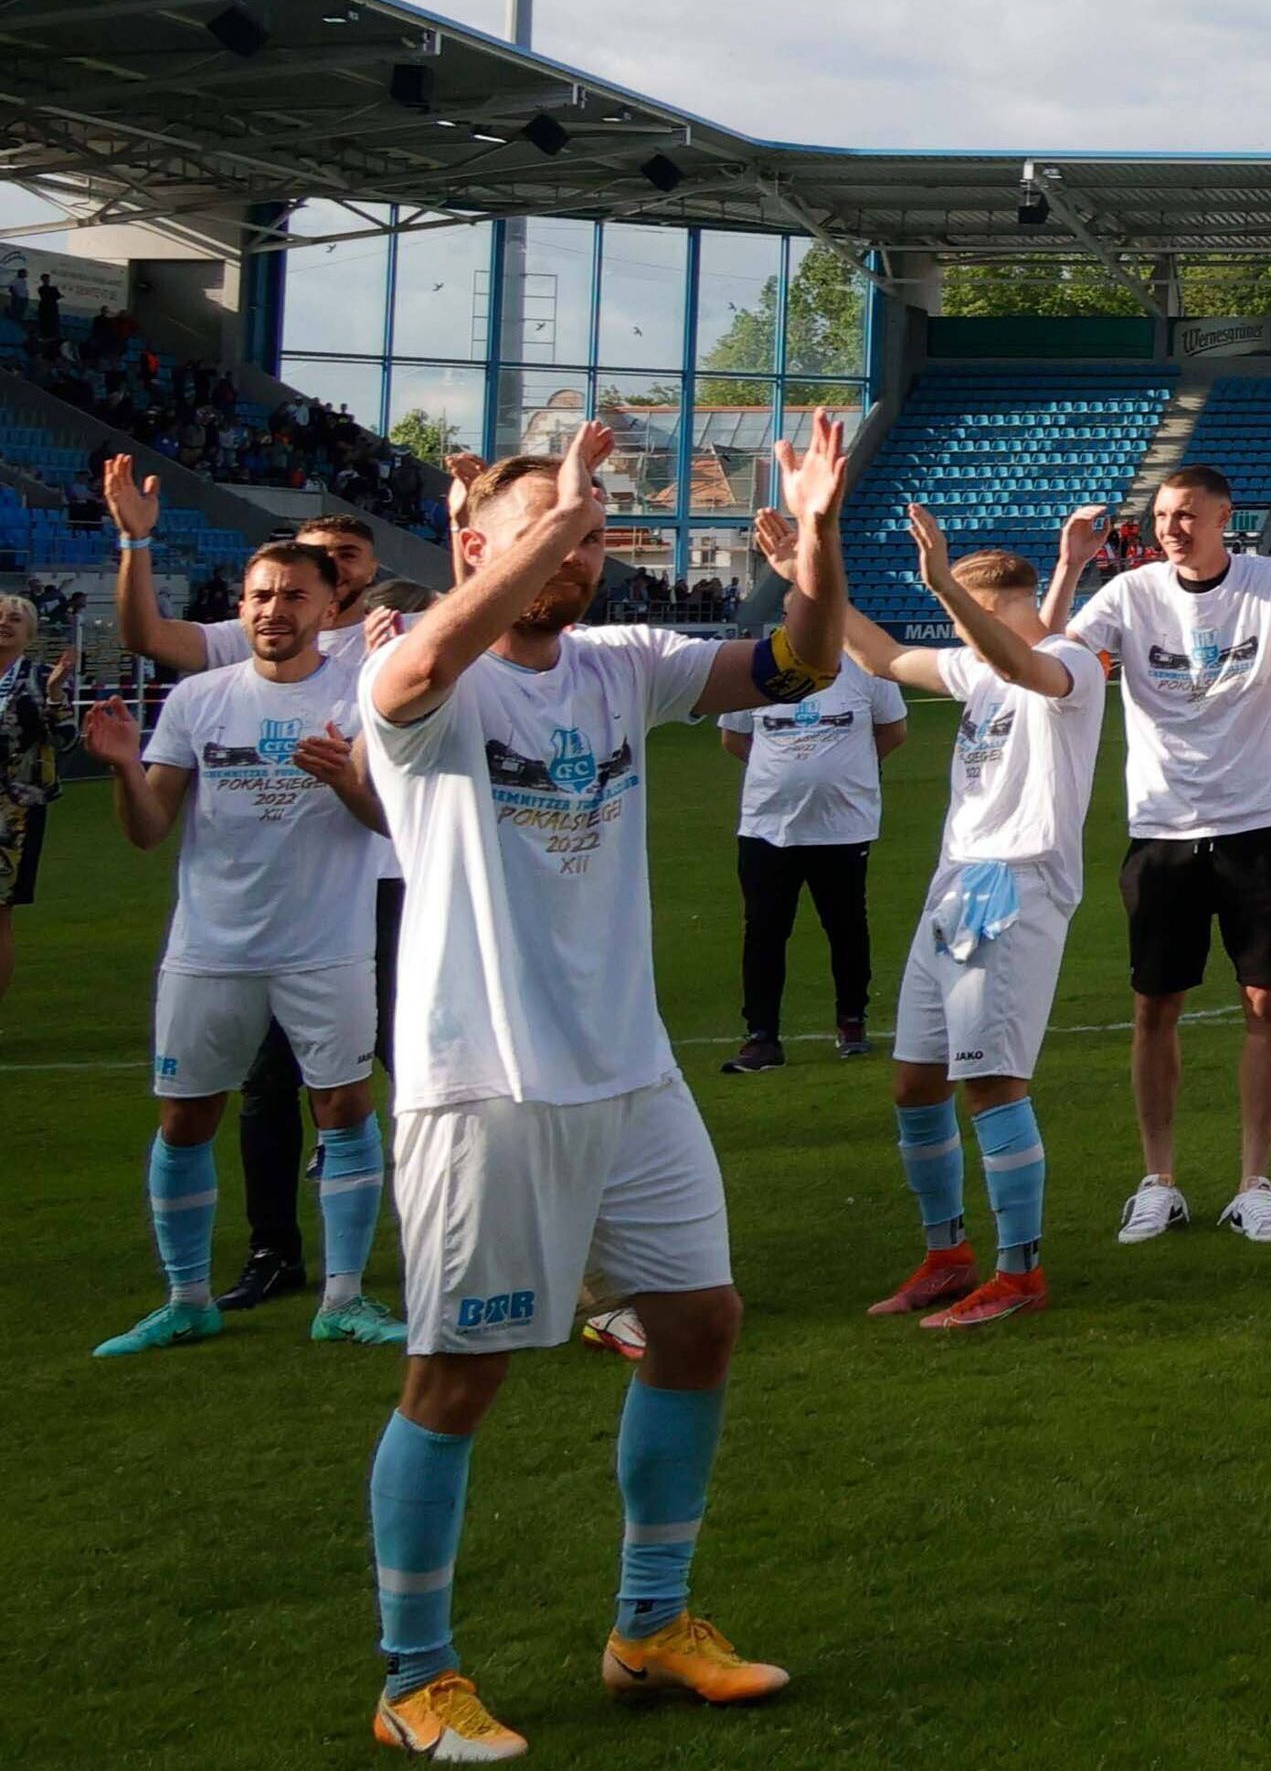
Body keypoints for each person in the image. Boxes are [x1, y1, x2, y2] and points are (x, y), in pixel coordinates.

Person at [352, 416, 855, 1758]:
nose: (578, 552)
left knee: (701, 1323)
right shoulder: (432, 681)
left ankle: (648, 1626)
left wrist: (815, 529)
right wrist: (552, 509)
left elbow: (801, 659)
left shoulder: (624, 666)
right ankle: (416, 1677)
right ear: (475, 549)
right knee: (456, 1377)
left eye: (588, 537)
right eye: (546, 534)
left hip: (632, 1078)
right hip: (486, 1085)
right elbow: (415, 672)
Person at [81, 538, 400, 1353]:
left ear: (330, 610)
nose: (272, 610)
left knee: (343, 1107)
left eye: (293, 596)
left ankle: (344, 1296)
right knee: (186, 1117)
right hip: (210, 946)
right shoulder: (199, 698)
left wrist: (346, 780)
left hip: (325, 943)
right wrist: (123, 767)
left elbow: (393, 824)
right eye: (260, 595)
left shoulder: (363, 692)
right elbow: (150, 830)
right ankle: (188, 1297)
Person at [818, 505, 1110, 1328]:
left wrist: (944, 581)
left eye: (954, 601)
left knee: (990, 1080)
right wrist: (814, 562)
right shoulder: (979, 668)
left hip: (1016, 888)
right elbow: (876, 653)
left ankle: (1021, 1268)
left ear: (985, 601)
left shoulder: (1070, 662)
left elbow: (1022, 665)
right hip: (952, 888)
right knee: (916, 1080)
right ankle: (947, 1254)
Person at [1063, 467, 1271, 1246]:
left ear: (1226, 516)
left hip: (1260, 823)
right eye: (1162, 515)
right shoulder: (1131, 593)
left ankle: (1255, 1182)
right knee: (1155, 1006)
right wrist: (1067, 569)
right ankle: (1158, 1181)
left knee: (1266, 1005)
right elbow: (1048, 661)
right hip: (1163, 829)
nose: (1170, 527)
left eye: (1186, 513)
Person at [714, 650, 907, 1072]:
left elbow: (892, 731)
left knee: (846, 926)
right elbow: (733, 737)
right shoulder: (758, 670)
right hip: (767, 824)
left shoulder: (866, 670)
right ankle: (761, 1037)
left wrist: (845, 771)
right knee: (763, 930)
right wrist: (784, 770)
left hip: (843, 827)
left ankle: (852, 1020)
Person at [0, 590, 52, 1009]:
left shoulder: (40, 678)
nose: (5, 623)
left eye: (15, 619)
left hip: (12, 812)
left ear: (29, 633)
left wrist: (53, 701)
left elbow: (66, 739)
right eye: (0, 616)